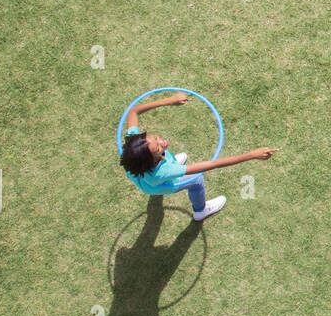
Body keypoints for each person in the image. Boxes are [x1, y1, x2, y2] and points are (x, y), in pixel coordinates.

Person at [118, 92, 277, 220]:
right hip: (159, 181)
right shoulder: (164, 171)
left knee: (172, 166)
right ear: (150, 160)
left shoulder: (135, 144)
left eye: (155, 138)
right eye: (158, 147)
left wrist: (169, 100)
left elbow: (133, 111)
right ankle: (201, 210)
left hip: (145, 177)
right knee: (196, 180)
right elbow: (211, 165)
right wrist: (251, 154)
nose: (162, 142)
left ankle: (170, 164)